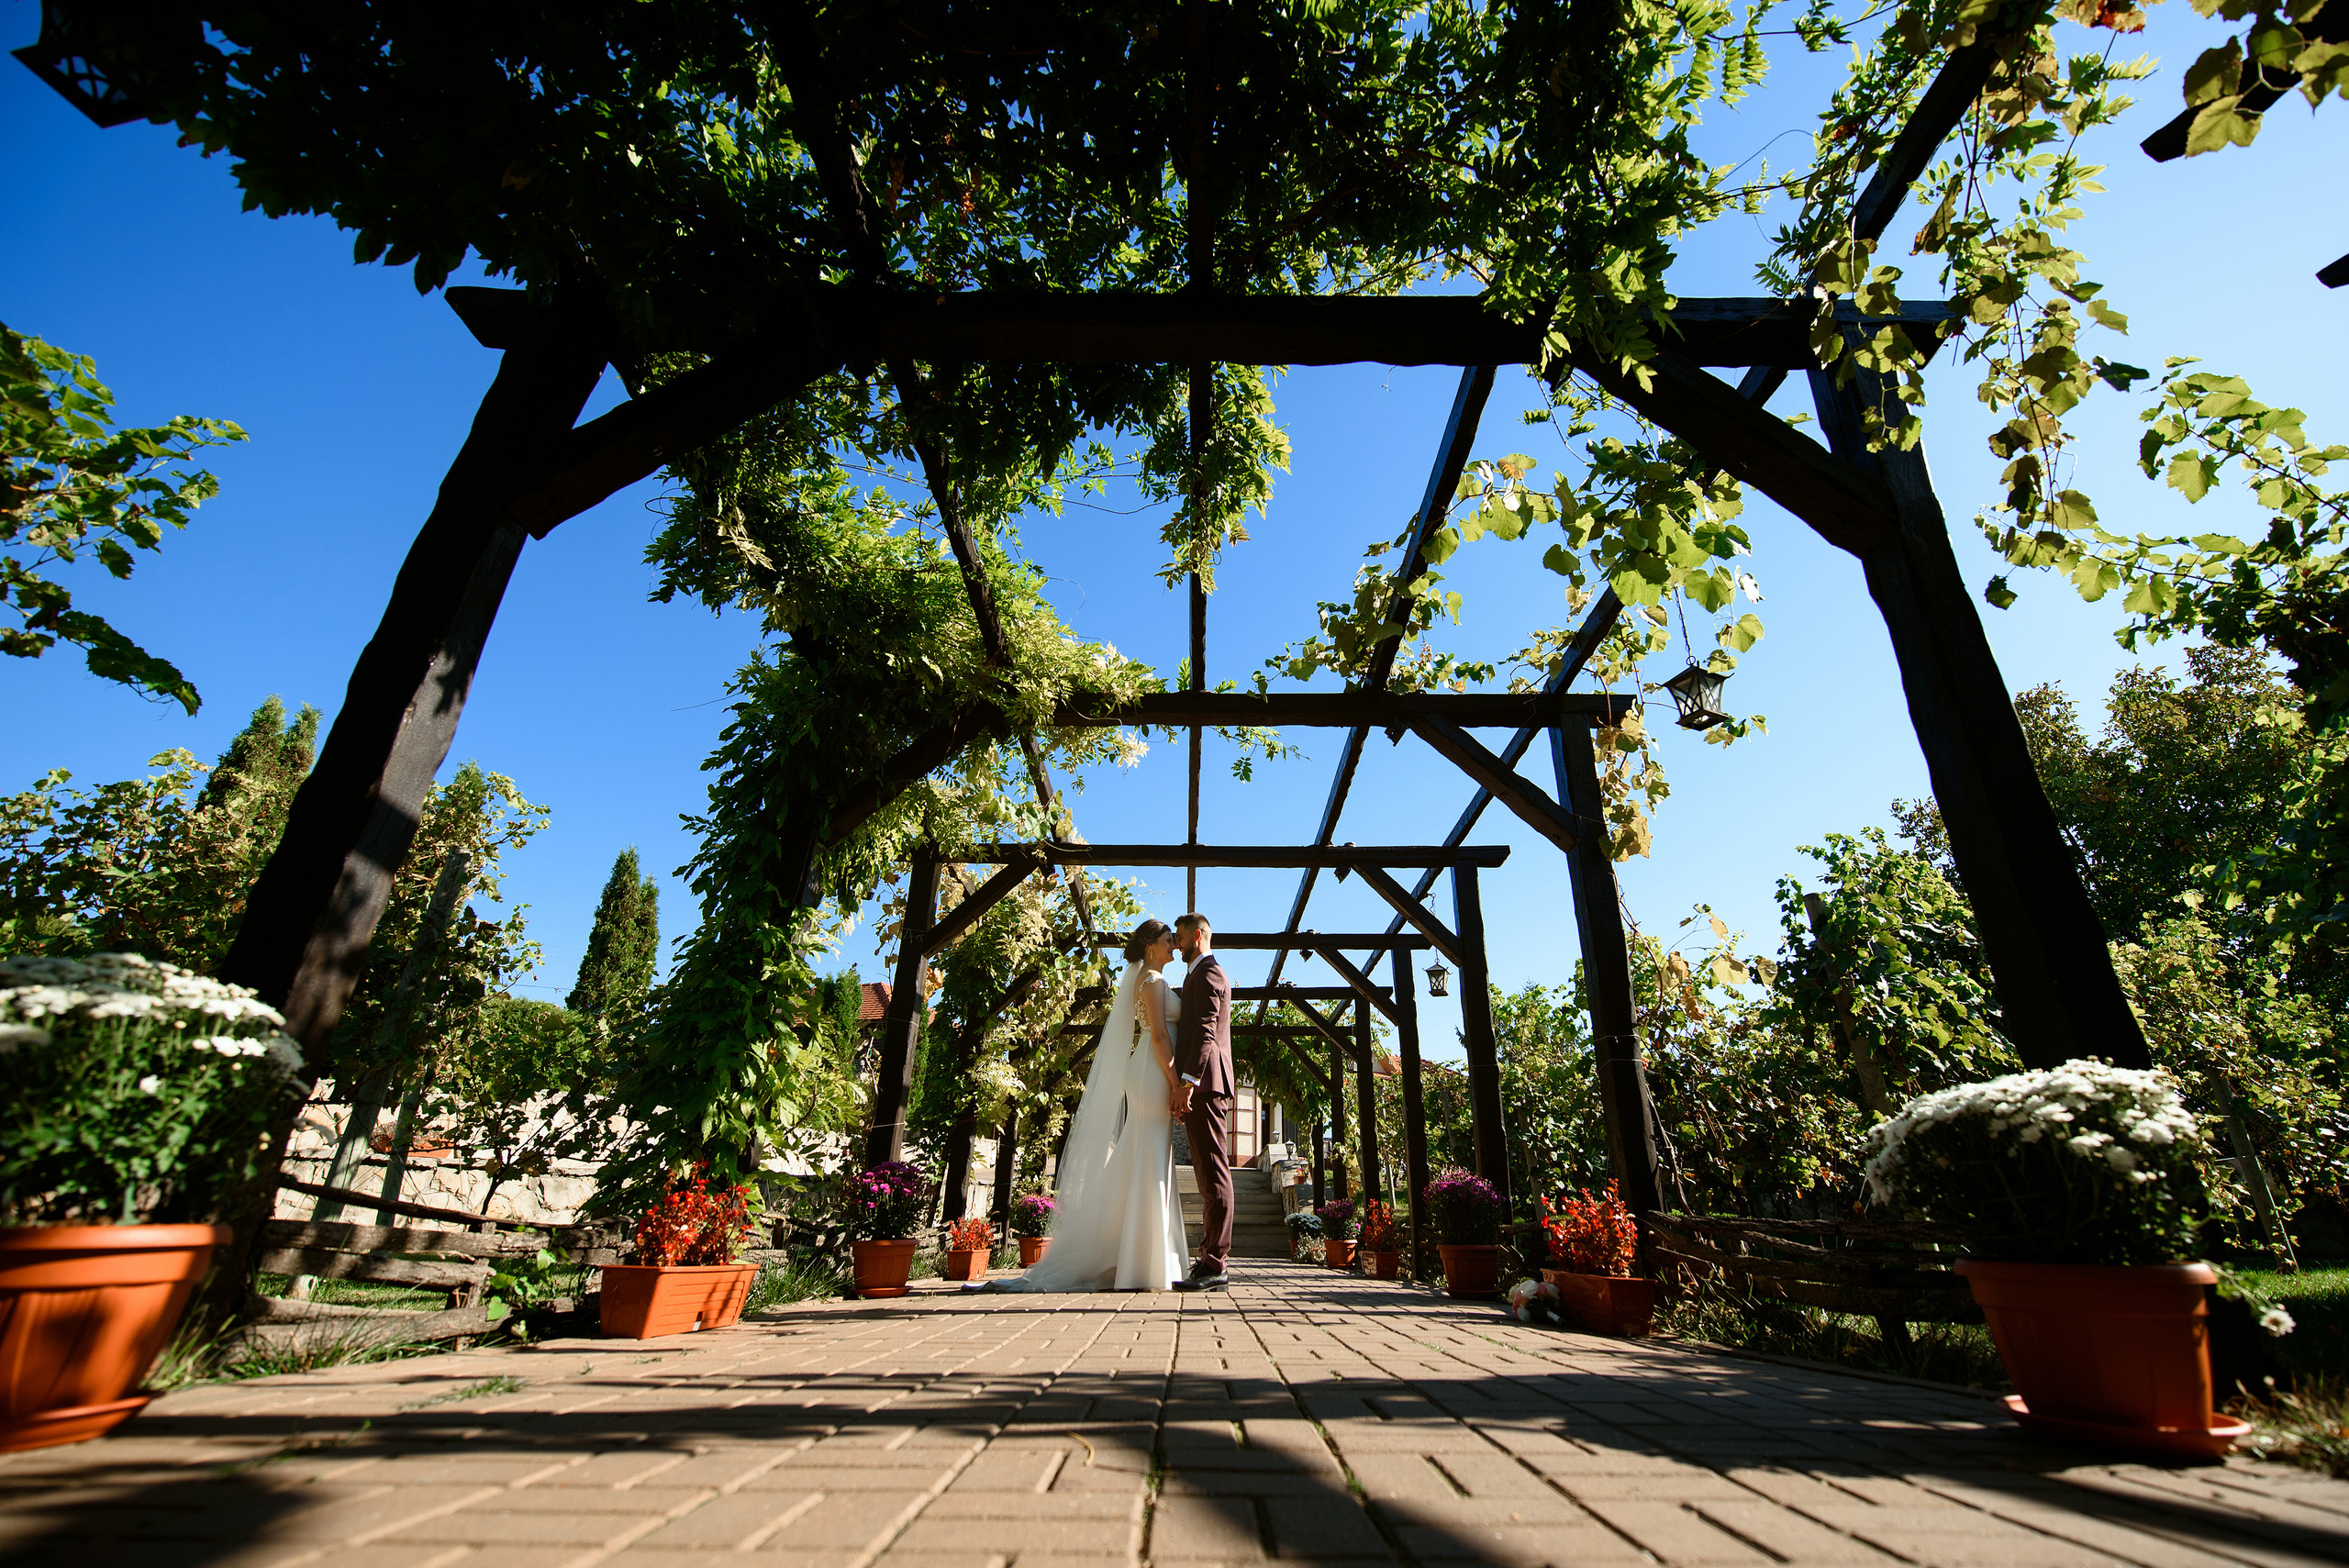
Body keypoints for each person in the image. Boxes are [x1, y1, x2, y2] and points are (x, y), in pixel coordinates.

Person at [984, 918, 1190, 1292]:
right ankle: (1141, 1259)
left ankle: (1135, 1254)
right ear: (1149, 945)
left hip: (1147, 1070)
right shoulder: (1154, 981)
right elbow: (1160, 1035)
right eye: (1167, 939)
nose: (1174, 944)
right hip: (1154, 1071)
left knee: (1144, 1151)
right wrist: (1176, 1083)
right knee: (1148, 1151)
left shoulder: (1147, 978)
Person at [1171, 912, 1233, 1291]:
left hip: (1206, 1086)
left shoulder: (1210, 972)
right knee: (1205, 1175)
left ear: (1197, 935)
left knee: (1214, 1173)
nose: (1176, 943)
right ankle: (1208, 1258)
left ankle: (1215, 1264)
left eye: (1179, 936)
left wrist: (1188, 1083)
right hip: (1201, 1086)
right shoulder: (1195, 973)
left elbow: (1207, 1031)